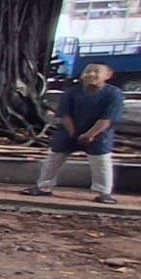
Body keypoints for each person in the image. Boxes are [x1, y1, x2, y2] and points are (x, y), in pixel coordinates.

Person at [20, 62, 124, 204]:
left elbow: (107, 119)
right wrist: (73, 134)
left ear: (108, 75)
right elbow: (64, 115)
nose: (91, 74)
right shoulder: (72, 92)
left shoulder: (114, 94)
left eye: (96, 71)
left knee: (101, 161)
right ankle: (43, 186)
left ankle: (104, 192)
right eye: (88, 71)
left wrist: (90, 134)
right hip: (70, 130)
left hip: (99, 133)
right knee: (54, 157)